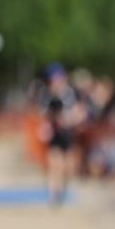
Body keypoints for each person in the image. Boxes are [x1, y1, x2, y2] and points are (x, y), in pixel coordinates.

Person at [40, 64, 83, 205]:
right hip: (55, 135)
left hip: (68, 133)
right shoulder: (47, 95)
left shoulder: (71, 94)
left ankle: (63, 188)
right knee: (54, 164)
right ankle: (54, 193)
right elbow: (44, 114)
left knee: (67, 167)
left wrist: (70, 120)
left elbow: (79, 112)